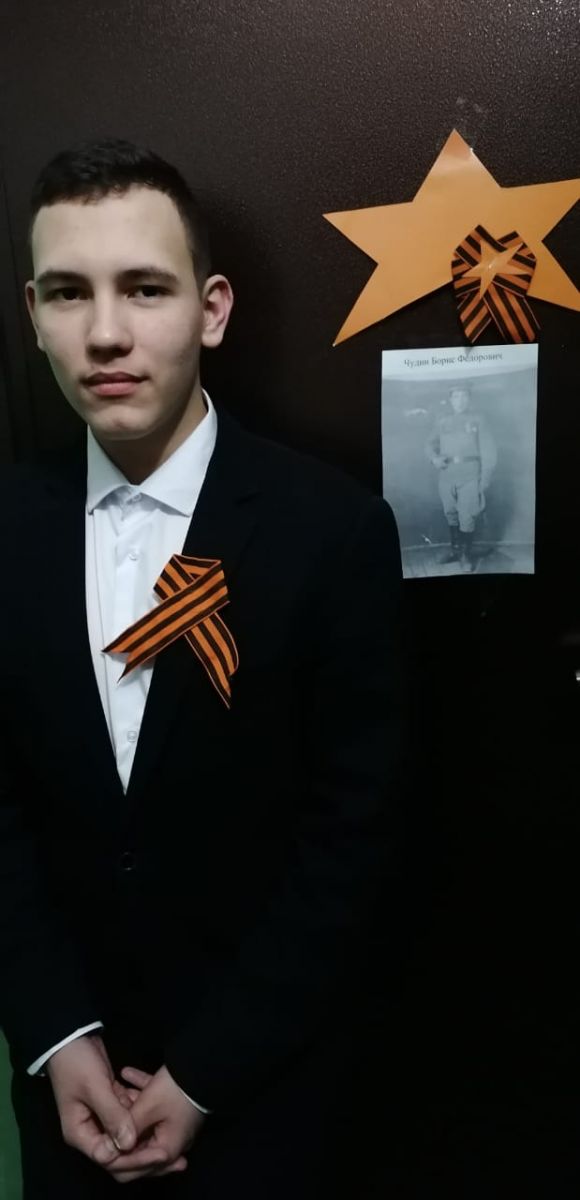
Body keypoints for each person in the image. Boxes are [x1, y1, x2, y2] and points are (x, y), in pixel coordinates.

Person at [0, 138, 404, 1198]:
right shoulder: (5, 529)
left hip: (269, 1097)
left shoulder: (333, 531)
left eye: (144, 287)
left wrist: (208, 1071)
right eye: (67, 293)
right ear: (32, 314)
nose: (105, 332)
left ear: (211, 310)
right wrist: (55, 1033)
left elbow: (355, 833)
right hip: (71, 1103)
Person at [426, 385, 497, 573]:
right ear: (450, 399)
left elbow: (489, 450)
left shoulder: (478, 420)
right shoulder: (442, 420)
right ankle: (455, 550)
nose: (460, 400)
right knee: (450, 513)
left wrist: (485, 477)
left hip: (470, 475)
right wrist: (434, 458)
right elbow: (429, 444)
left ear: (469, 399)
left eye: (464, 396)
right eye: (456, 396)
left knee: (467, 515)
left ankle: (465, 555)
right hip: (447, 474)